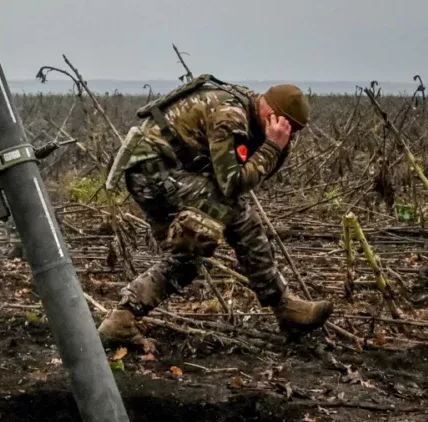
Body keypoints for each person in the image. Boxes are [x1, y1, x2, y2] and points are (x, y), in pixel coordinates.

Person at [99, 75, 333, 350]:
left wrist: (274, 147)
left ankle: (121, 320)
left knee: (188, 258)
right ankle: (284, 306)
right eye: (287, 129)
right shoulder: (230, 115)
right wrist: (272, 146)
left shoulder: (249, 109)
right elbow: (232, 183)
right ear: (272, 115)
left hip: (163, 171)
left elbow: (246, 175)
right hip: (153, 172)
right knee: (239, 214)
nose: (288, 136)